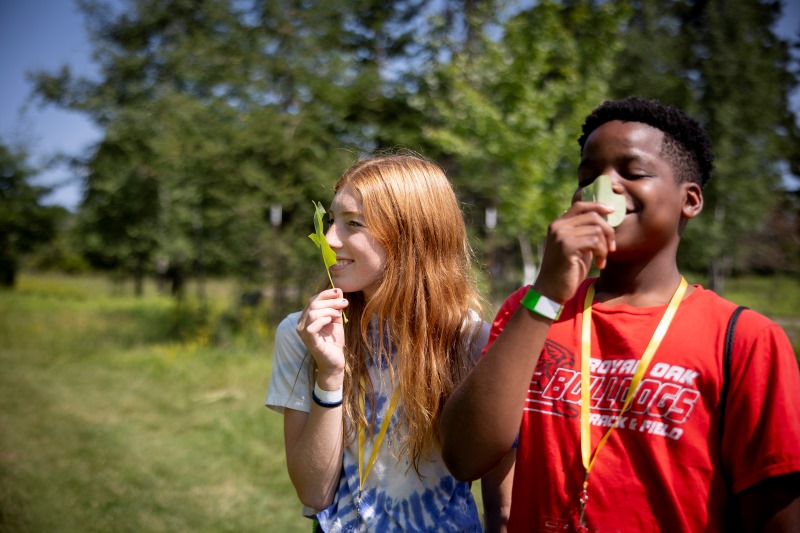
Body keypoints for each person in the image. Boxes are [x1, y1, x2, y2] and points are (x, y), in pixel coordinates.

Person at [439, 96, 800, 532]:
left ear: (690, 201)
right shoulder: (531, 310)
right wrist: (547, 293)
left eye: (633, 172)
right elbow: (465, 457)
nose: (603, 188)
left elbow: (776, 514)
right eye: (587, 177)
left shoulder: (744, 338)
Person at [265, 154, 499, 532]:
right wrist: (330, 375)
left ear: (411, 235)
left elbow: (500, 496)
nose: (329, 239)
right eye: (331, 221)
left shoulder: (471, 342)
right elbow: (313, 492)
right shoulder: (303, 333)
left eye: (353, 223)